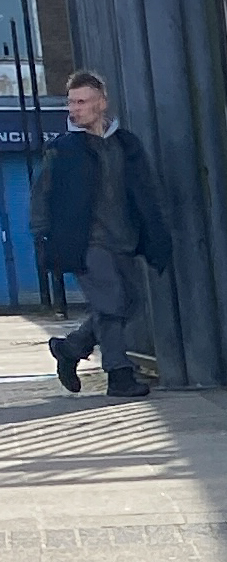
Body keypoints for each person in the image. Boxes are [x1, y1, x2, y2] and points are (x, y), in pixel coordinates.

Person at [39, 70, 171, 399]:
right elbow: (40, 194)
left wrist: (155, 231)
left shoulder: (125, 144)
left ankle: (70, 349)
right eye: (71, 103)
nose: (74, 109)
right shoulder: (63, 149)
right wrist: (41, 234)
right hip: (87, 242)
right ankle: (118, 374)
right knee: (111, 303)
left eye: (82, 102)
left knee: (132, 302)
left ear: (101, 103)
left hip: (124, 240)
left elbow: (146, 189)